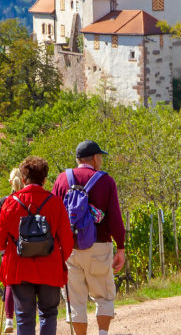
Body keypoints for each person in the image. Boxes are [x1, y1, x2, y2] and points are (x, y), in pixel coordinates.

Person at [0, 156, 74, 335]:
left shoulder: (10, 203)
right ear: (44, 180)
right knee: (49, 313)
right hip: (50, 267)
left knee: (23, 316)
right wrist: (61, 260)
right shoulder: (56, 203)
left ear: (23, 179)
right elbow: (67, 241)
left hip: (19, 268)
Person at [52, 141, 126, 335]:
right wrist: (121, 247)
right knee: (104, 296)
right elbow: (115, 218)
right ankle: (102, 333)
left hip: (70, 249)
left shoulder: (61, 180)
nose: (100, 160)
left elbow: (53, 216)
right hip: (99, 245)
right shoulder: (106, 181)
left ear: (78, 160)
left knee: (75, 299)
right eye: (100, 157)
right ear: (94, 158)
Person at [0, 168, 25, 333]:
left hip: (10, 250)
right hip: (30, 249)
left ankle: (9, 319)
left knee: (10, 284)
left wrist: (3, 248)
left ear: (10, 182)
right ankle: (24, 320)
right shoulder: (28, 199)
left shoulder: (4, 201)